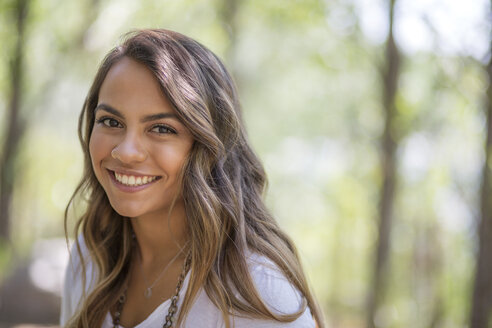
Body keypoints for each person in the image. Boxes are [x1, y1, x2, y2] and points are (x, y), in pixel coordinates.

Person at [61, 29, 324, 328]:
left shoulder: (259, 296)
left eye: (161, 128)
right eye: (111, 121)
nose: (126, 151)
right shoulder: (91, 254)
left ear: (210, 146)